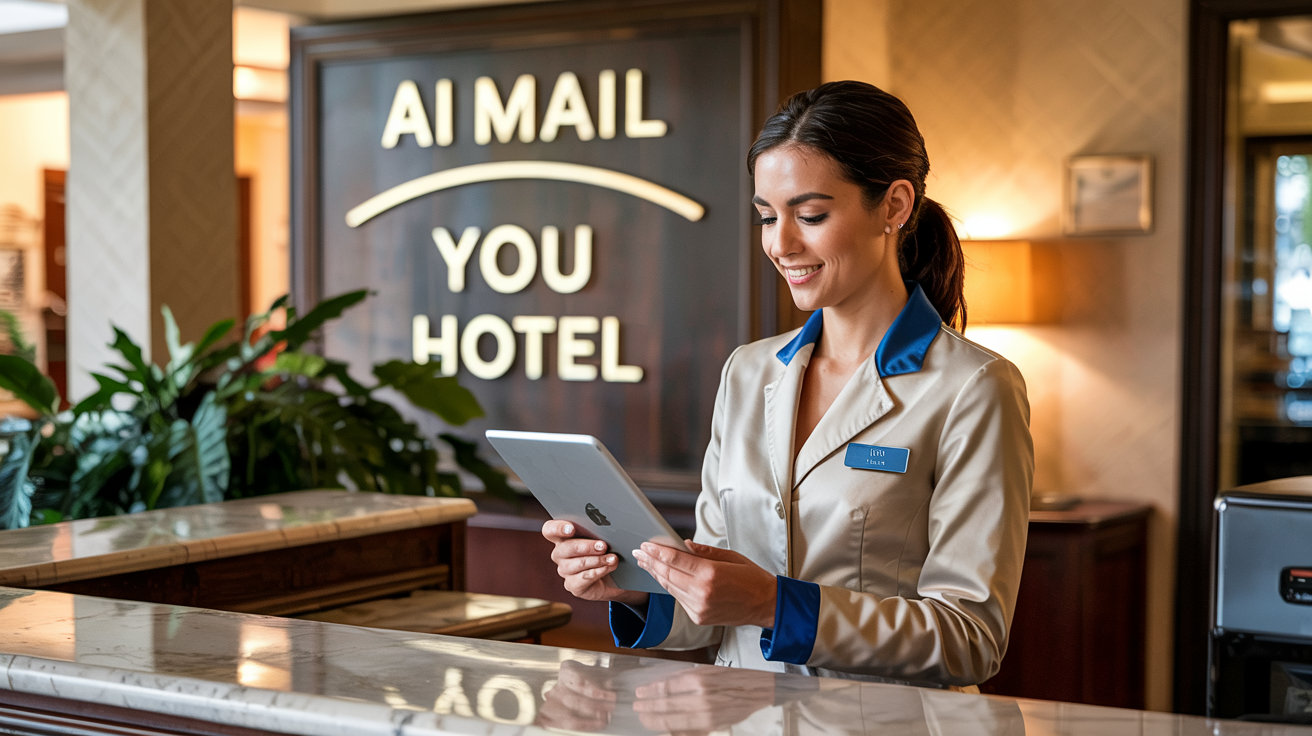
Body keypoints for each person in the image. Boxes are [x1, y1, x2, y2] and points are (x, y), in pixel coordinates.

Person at [543, 80, 1034, 689]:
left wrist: (774, 604)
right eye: (767, 217)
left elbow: (970, 640)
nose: (781, 244)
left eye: (811, 215)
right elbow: (716, 607)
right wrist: (640, 590)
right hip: (740, 717)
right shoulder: (748, 372)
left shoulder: (975, 388)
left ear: (895, 206)